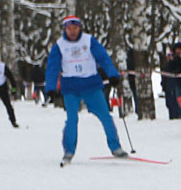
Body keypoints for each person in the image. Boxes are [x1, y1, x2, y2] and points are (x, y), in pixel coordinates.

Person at [43, 14, 126, 165]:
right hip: (71, 87)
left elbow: (103, 58)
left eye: (75, 28)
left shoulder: (89, 41)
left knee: (105, 116)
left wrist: (113, 74)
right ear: (65, 29)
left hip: (91, 85)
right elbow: (52, 68)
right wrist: (50, 88)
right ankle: (69, 151)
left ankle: (116, 147)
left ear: (79, 28)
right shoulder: (59, 45)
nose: (72, 31)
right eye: (69, 28)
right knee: (72, 119)